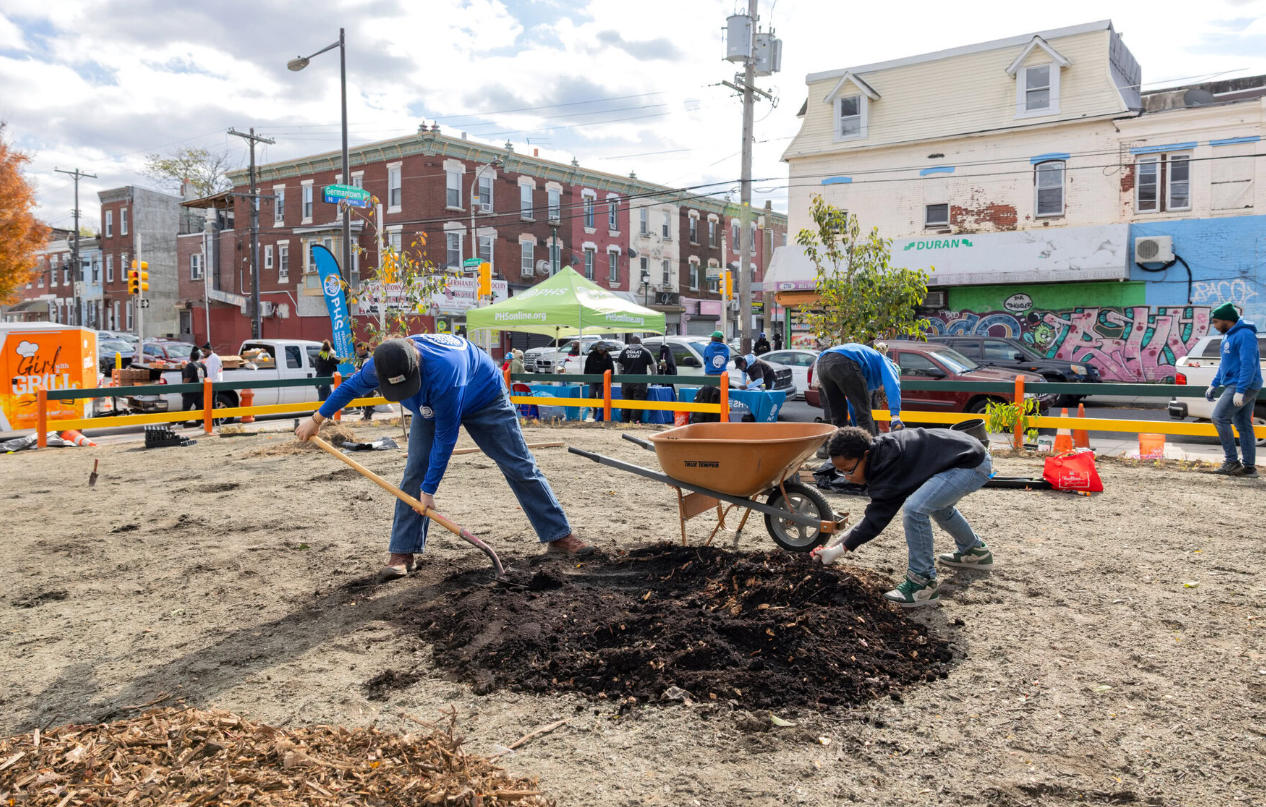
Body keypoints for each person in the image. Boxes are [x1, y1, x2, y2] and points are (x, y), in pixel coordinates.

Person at [294, 334, 594, 580]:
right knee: (415, 471)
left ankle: (558, 535)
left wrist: (430, 490)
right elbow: (349, 387)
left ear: (416, 365)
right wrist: (316, 419)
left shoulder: (445, 368)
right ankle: (403, 552)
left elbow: (446, 436)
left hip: (484, 396)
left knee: (518, 464)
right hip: (430, 401)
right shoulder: (382, 362)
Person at [812, 426, 994, 607]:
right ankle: (974, 551)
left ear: (865, 455)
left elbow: (875, 520)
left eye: (848, 470)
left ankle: (922, 585)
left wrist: (837, 551)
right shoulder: (881, 455)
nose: (846, 477)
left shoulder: (889, 467)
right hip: (963, 453)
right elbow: (872, 516)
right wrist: (833, 548)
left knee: (916, 509)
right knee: (935, 505)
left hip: (971, 463)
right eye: (840, 471)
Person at [1205, 303, 1262, 477]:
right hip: (1237, 384)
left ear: (1227, 320)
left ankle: (1231, 462)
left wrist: (1241, 389)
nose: (1214, 326)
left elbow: (1248, 364)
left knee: (1219, 417)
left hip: (1242, 385)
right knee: (1243, 425)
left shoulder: (1245, 335)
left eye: (1215, 322)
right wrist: (1215, 383)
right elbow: (1225, 364)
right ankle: (1249, 468)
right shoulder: (1228, 336)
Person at [815, 343, 904, 436]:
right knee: (864, 414)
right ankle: (870, 449)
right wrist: (895, 416)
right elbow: (893, 384)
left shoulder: (868, 372)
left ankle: (840, 448)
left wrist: (856, 429)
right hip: (844, 360)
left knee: (838, 416)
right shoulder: (888, 363)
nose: (883, 388)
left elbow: (853, 404)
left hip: (822, 364)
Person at [616, 336, 656, 424]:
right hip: (640, 381)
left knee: (626, 400)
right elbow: (653, 366)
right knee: (638, 401)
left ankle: (625, 420)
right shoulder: (645, 352)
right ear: (639, 342)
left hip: (626, 381)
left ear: (630, 342)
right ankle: (634, 420)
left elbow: (619, 364)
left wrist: (621, 374)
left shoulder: (624, 352)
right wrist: (653, 377)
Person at [584, 341, 615, 421]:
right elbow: (587, 366)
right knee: (591, 395)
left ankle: (600, 413)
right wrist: (585, 378)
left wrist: (609, 380)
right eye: (599, 349)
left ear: (604, 349)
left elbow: (611, 368)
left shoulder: (607, 356)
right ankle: (595, 410)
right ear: (597, 348)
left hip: (603, 380)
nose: (600, 350)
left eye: (602, 349)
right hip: (592, 378)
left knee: (602, 396)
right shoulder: (591, 355)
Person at [181, 347, 206, 426]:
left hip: (190, 391)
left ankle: (181, 423)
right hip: (200, 390)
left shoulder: (190, 366)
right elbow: (205, 378)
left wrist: (183, 389)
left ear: (190, 357)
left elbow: (187, 379)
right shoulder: (202, 365)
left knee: (186, 407)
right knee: (200, 407)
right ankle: (202, 423)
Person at [354, 342, 375, 421]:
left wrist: (358, 369)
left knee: (368, 396)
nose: (359, 352)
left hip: (369, 379)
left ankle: (368, 414)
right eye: (358, 350)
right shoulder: (360, 356)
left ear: (365, 349)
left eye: (361, 350)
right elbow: (357, 365)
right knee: (365, 396)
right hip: (362, 378)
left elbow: (365, 368)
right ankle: (366, 413)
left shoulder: (368, 356)